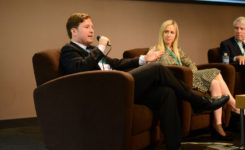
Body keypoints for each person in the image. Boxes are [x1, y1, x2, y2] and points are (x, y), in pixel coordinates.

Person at [60, 13, 229, 150]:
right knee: (157, 69)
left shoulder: (92, 51)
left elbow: (117, 64)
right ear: (74, 31)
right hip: (107, 94)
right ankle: (198, 100)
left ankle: (173, 145)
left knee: (166, 92)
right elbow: (80, 69)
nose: (92, 30)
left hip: (120, 88)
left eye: (92, 26)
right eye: (87, 27)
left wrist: (144, 59)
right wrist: (100, 48)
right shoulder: (69, 50)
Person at [149, 19, 245, 141]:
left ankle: (217, 125)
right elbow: (163, 71)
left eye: (172, 32)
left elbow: (191, 64)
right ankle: (234, 104)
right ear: (161, 33)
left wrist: (192, 73)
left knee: (214, 83)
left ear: (176, 35)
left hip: (189, 77)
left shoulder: (177, 50)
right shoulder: (155, 50)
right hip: (177, 81)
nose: (169, 35)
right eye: (166, 32)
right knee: (215, 72)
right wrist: (188, 73)